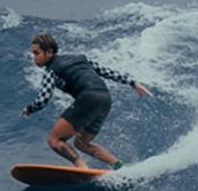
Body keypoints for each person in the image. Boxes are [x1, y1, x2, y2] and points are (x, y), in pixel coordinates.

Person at [22, 32, 153, 170]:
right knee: (81, 142)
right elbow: (105, 71)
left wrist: (29, 109)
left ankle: (81, 167)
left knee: (54, 140)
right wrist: (132, 83)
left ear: (49, 52)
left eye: (36, 53)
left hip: (88, 98)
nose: (34, 58)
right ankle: (118, 165)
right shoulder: (80, 58)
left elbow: (43, 100)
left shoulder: (51, 70)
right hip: (105, 99)